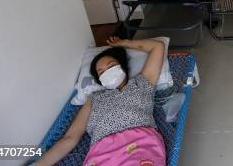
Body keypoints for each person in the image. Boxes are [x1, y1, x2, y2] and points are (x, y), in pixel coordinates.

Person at [35, 37, 167, 166]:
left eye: (112, 66)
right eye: (101, 72)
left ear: (122, 66)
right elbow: (70, 138)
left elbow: (157, 46)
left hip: (139, 143)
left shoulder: (141, 83)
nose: (107, 72)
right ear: (99, 80)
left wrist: (125, 43)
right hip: (102, 152)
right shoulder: (94, 98)